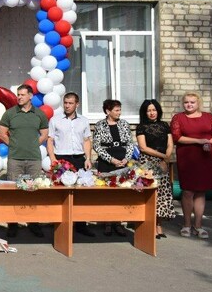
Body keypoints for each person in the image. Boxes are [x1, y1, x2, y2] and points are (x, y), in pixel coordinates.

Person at [170, 92, 212, 239]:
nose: (189, 104)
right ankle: (187, 224)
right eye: (186, 102)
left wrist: (209, 141)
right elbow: (176, 137)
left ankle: (198, 226)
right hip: (187, 159)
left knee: (201, 192)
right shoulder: (178, 118)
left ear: (198, 103)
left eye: (192, 102)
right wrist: (199, 141)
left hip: (205, 159)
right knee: (188, 192)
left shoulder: (208, 117)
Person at [0, 84, 48, 238]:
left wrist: (32, 145)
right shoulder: (10, 114)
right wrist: (14, 144)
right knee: (15, 192)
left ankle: (34, 223)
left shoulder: (39, 114)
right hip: (15, 159)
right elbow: (2, 133)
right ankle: (13, 224)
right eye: (18, 94)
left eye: (22, 94)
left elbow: (44, 134)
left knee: (33, 192)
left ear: (31, 96)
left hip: (34, 160)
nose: (19, 97)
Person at [47, 92, 95, 237]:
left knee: (80, 193)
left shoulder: (84, 121)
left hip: (79, 158)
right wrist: (53, 159)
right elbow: (50, 140)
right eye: (65, 103)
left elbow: (87, 140)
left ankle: (81, 225)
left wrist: (88, 158)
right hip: (62, 158)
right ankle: (60, 224)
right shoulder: (55, 120)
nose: (67, 106)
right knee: (61, 192)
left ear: (77, 104)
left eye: (70, 103)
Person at [92, 99, 136, 236]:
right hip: (107, 161)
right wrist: (112, 160)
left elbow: (130, 143)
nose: (119, 113)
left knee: (120, 192)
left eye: (120, 110)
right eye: (116, 110)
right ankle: (107, 223)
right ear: (108, 111)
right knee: (107, 193)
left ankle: (118, 222)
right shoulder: (100, 125)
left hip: (123, 159)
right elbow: (97, 146)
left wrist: (126, 159)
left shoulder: (124, 124)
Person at [135, 99, 175, 239]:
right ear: (145, 112)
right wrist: (163, 156)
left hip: (163, 161)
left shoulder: (164, 125)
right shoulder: (141, 127)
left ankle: (159, 225)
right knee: (150, 193)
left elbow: (170, 144)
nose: (152, 113)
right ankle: (149, 225)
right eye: (149, 110)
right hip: (148, 162)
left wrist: (165, 159)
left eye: (154, 110)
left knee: (162, 193)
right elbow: (143, 147)